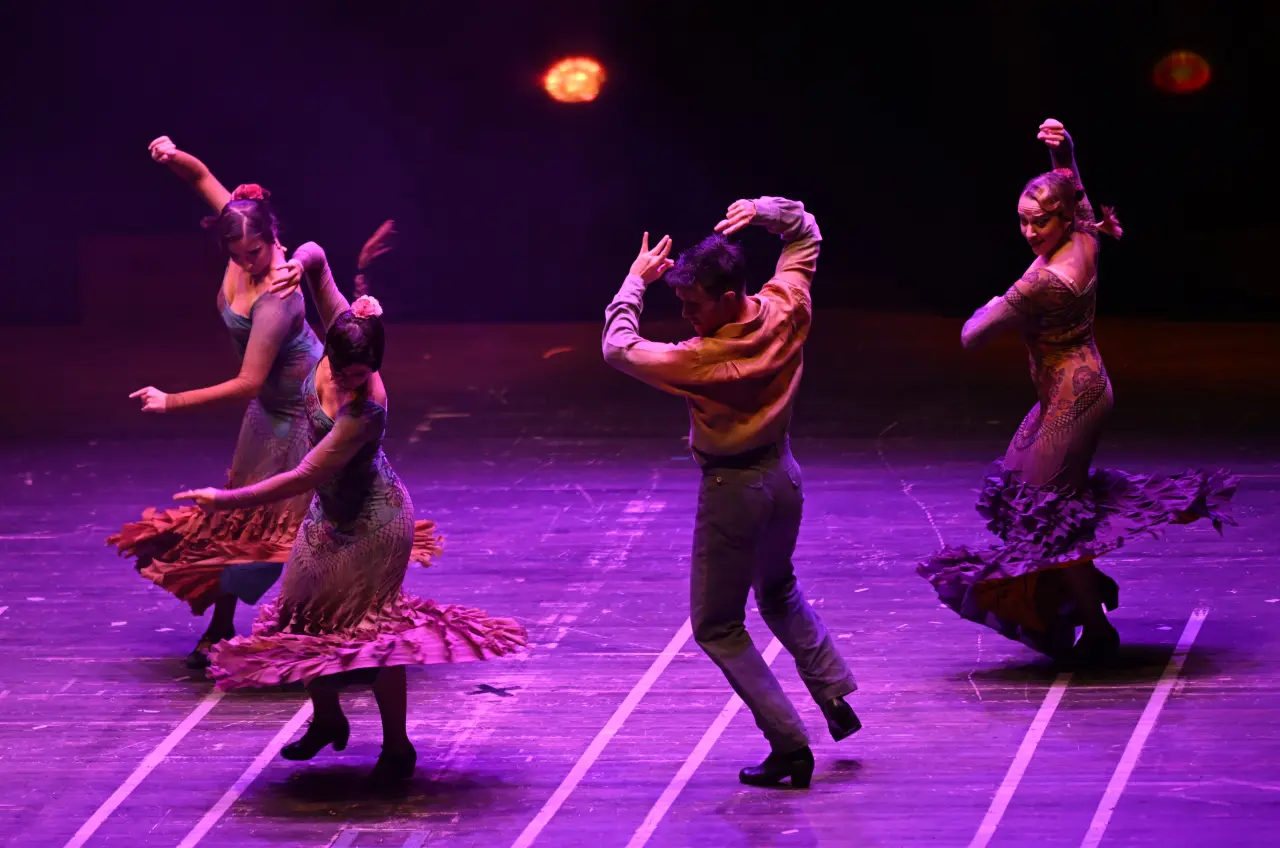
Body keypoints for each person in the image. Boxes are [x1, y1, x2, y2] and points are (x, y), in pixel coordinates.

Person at [175, 243, 526, 784]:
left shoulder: (367, 410)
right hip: (328, 513)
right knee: (300, 614)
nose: (349, 381)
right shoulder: (346, 328)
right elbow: (318, 261)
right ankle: (327, 718)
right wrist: (301, 263)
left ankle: (397, 748)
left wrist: (225, 501)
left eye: (362, 374)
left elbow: (304, 474)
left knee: (372, 635)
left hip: (375, 521)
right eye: (344, 371)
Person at [917, 118, 1236, 664]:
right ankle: (1072, 602)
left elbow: (971, 336)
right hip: (1062, 394)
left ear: (1062, 220)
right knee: (1022, 495)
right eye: (1022, 221)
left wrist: (994, 302)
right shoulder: (1084, 234)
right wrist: (1064, 151)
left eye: (1039, 222)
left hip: (1076, 399)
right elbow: (1075, 187)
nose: (1029, 232)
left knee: (1050, 516)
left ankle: (1093, 624)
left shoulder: (1044, 281)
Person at [602, 197, 860, 789]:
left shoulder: (704, 358)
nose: (686, 317)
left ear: (724, 298)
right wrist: (765, 211)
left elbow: (617, 347)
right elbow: (806, 233)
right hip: (784, 477)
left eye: (693, 305)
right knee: (778, 589)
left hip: (735, 490)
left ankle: (790, 745)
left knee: (717, 625)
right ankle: (834, 692)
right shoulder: (786, 306)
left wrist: (635, 281)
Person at [108, 136, 324, 669]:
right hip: (269, 410)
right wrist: (171, 155)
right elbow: (202, 177)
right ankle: (222, 623)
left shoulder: (278, 293)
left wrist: (172, 401)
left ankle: (321, 627)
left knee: (296, 523)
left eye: (255, 253)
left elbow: (248, 381)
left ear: (272, 236)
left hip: (305, 409)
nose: (247, 262)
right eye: (236, 255)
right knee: (237, 514)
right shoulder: (241, 224)